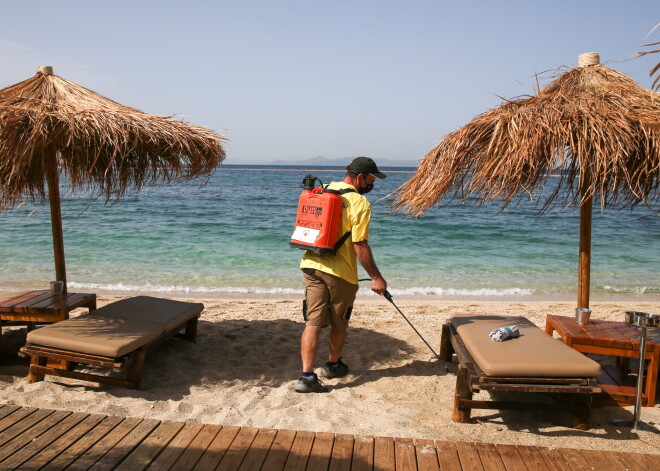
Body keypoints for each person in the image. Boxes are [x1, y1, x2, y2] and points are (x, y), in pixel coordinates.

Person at [295, 156, 388, 393]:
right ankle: (332, 365)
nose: (373, 183)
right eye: (371, 178)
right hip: (340, 274)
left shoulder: (322, 190)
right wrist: (376, 277)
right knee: (339, 323)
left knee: (313, 322)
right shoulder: (360, 203)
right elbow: (360, 245)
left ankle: (306, 377)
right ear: (359, 177)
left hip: (311, 264)